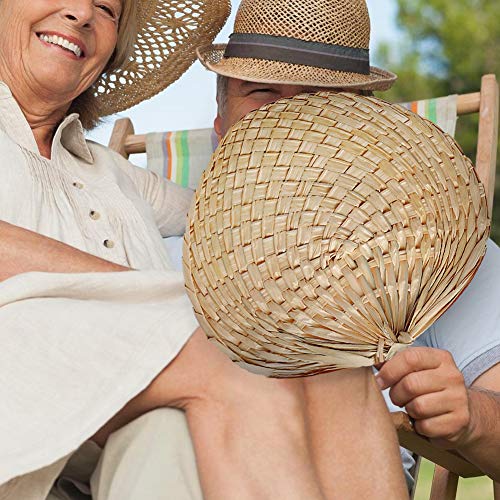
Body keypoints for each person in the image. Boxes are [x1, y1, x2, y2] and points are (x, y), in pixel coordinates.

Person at [0, 1, 410, 500]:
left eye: (107, 8)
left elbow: (246, 215)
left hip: (112, 410)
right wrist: (151, 302)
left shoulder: (111, 175)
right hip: (23, 385)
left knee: (326, 362)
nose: (82, 12)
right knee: (231, 369)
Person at [195, 0, 500, 486]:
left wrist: (471, 418)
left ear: (361, 118)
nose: (289, 119)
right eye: (261, 92)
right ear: (219, 123)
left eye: (319, 95)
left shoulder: (439, 251)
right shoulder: (159, 247)